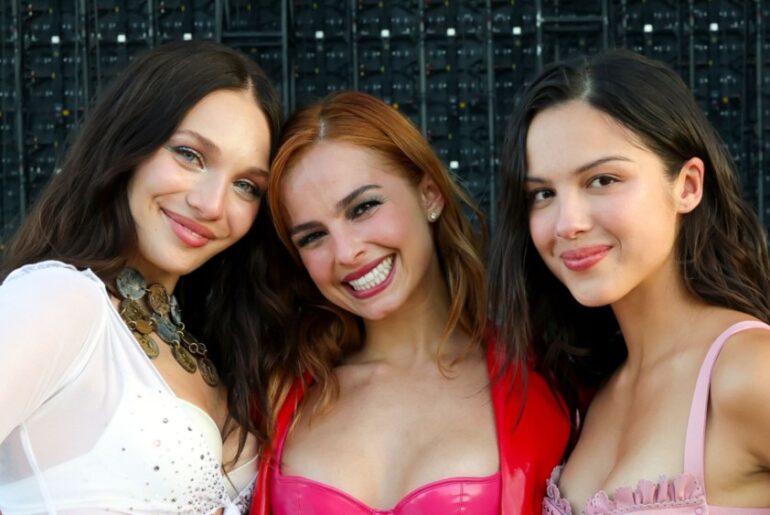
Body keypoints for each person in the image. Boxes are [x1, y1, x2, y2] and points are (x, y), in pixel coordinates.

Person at [0, 40, 290, 513]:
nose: (211, 204)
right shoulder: (61, 301)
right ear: (128, 145)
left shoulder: (216, 351)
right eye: (190, 155)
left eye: (245, 185)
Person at [250, 91, 570, 515]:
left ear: (430, 195)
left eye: (363, 207)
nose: (345, 252)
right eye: (313, 236)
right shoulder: (274, 395)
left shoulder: (549, 379)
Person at [488, 49, 770, 514]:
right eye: (542, 194)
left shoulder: (747, 372)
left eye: (602, 180)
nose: (567, 223)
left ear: (687, 186)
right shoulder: (591, 393)